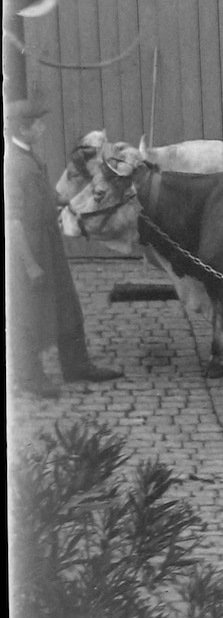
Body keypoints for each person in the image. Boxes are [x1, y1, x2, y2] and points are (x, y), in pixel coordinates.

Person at [5, 92, 123, 398]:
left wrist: (71, 200)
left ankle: (76, 365)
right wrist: (30, 265)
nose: (43, 128)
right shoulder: (14, 164)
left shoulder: (30, 156)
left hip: (48, 241)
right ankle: (29, 378)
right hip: (28, 248)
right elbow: (12, 220)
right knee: (29, 313)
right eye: (38, 125)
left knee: (67, 304)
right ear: (22, 129)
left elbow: (45, 195)